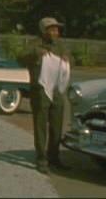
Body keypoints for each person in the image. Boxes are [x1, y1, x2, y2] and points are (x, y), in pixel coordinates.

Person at [17, 17, 72, 174]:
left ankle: (54, 157)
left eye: (57, 29)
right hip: (40, 91)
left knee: (57, 125)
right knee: (41, 126)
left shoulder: (61, 46)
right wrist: (36, 54)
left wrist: (68, 60)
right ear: (44, 31)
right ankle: (41, 159)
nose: (56, 32)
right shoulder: (34, 45)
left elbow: (70, 62)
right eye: (52, 29)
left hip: (57, 91)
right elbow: (20, 59)